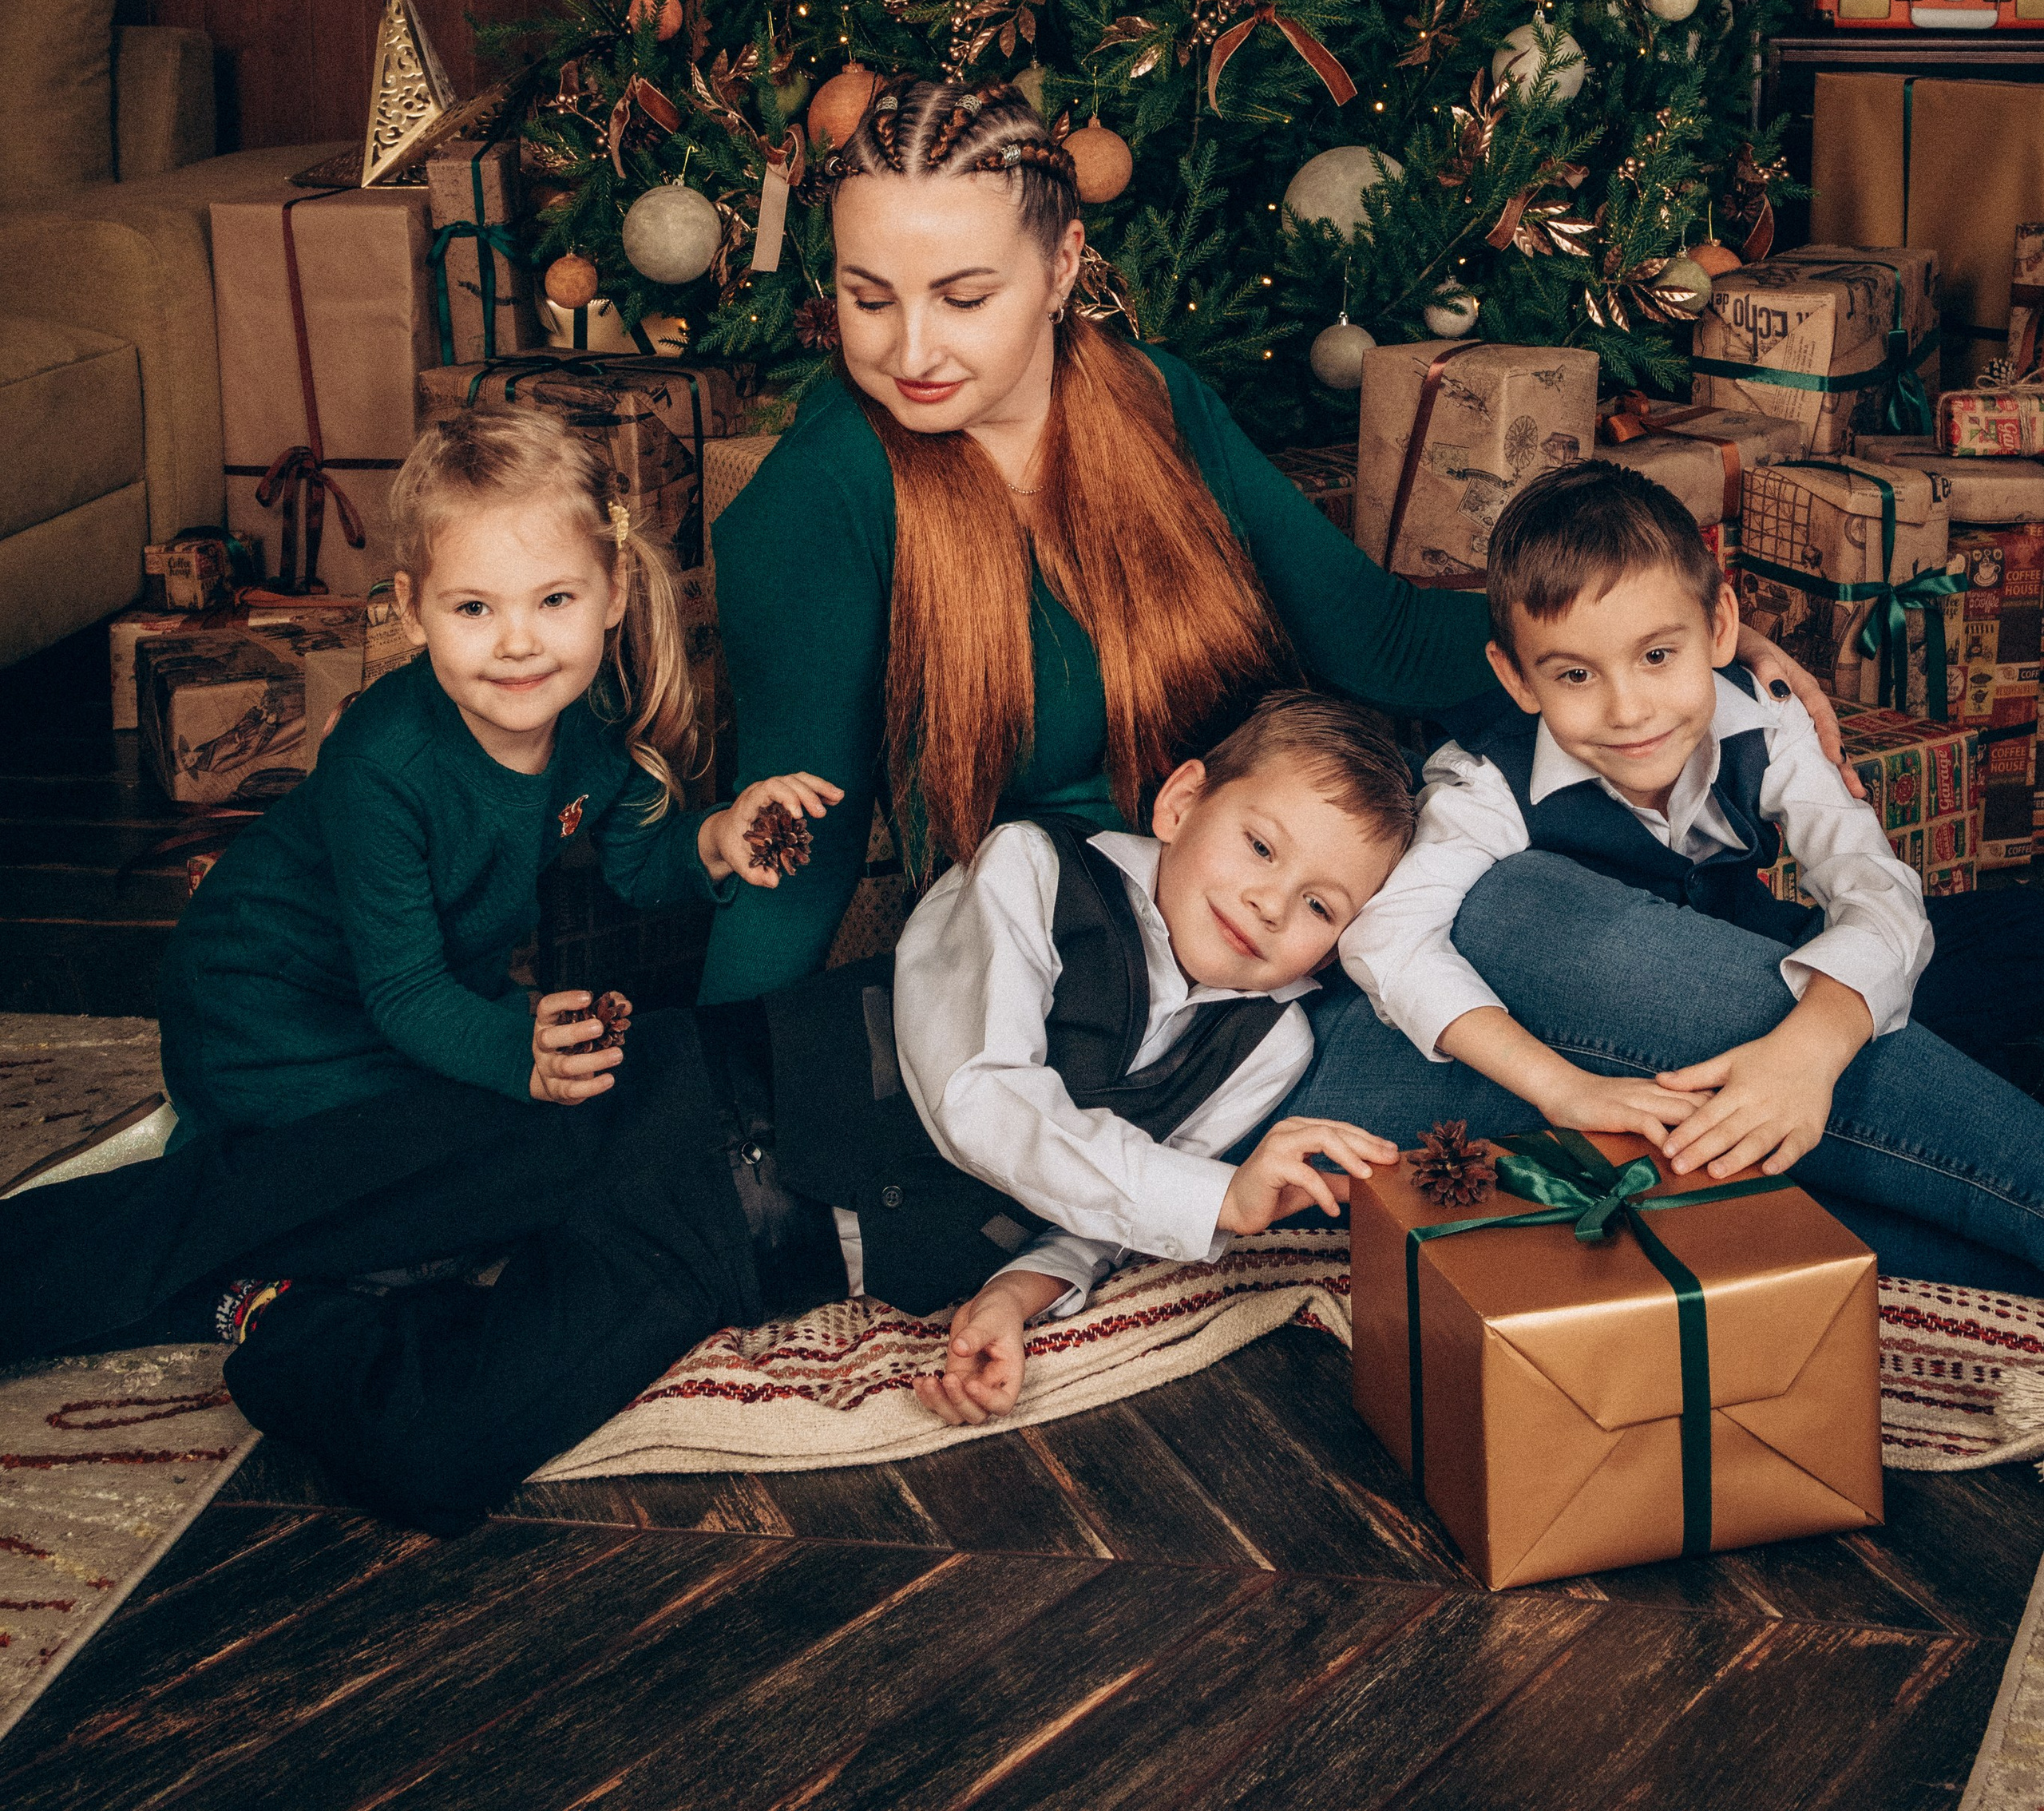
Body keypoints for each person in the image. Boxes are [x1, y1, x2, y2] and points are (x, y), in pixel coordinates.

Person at [0, 692, 1416, 1528]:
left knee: (443, 1456)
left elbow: (1103, 1213)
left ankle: (286, 1316)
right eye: (1259, 843)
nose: (1269, 905)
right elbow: (980, 1099)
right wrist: (1214, 1201)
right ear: (1181, 800)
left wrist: (1020, 1288)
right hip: (659, 1099)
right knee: (284, 1185)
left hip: (733, 1256)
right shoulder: (1034, 872)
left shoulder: (1271, 1041)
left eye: (1320, 905)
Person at [698, 76, 1828, 1001]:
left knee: (1577, 925)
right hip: (1099, 985)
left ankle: (1867, 1041)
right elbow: (797, 851)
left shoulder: (1152, 397)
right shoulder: (820, 498)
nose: (910, 350)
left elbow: (1376, 637)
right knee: (1605, 978)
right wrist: (716, 1105)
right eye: (868, 298)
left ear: (1061, 267)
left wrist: (1670, 645)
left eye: (961, 297)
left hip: (1313, 905)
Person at [1339, 460, 2044, 1287]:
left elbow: (1874, 885)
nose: (1628, 710)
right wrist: (1560, 1088)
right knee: (1865, 1207)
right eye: (1574, 674)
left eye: (1656, 655)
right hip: (1648, 1053)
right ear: (1516, 677)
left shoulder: (1765, 719)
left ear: (1719, 628)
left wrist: (1811, 1049)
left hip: (1784, 975)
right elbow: (1387, 939)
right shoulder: (1485, 784)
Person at [149, 403, 834, 1144]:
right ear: (414, 611)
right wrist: (519, 1057)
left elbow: (639, 865)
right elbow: (406, 992)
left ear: (613, 593)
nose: (518, 643)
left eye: (555, 599)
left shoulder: (602, 708)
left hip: (421, 994)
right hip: (263, 1009)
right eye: (475, 607)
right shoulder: (380, 764)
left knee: (560, 1120)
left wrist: (719, 837)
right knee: (396, 1156)